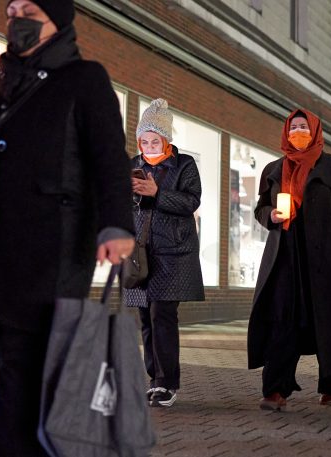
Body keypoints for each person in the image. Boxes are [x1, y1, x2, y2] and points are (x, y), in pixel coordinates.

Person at [0, 1, 135, 454]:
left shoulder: (85, 80)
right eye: (11, 7)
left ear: (58, 18)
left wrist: (116, 225)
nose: (17, 16)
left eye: (29, 7)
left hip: (51, 251)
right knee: (17, 362)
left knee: (22, 365)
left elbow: (109, 160)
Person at [247, 109, 331, 411]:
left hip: (326, 259)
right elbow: (261, 208)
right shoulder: (274, 169)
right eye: (293, 127)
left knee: (329, 319)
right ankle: (275, 389)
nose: (298, 131)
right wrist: (271, 215)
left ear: (316, 131)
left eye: (304, 126)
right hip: (286, 258)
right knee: (283, 319)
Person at [124, 98, 205, 407]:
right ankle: (153, 379)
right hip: (141, 252)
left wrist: (158, 193)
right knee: (145, 316)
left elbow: (191, 202)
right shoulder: (134, 164)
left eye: (153, 139)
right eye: (143, 140)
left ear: (166, 139)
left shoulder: (184, 165)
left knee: (163, 315)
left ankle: (167, 383)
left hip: (173, 253)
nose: (147, 145)